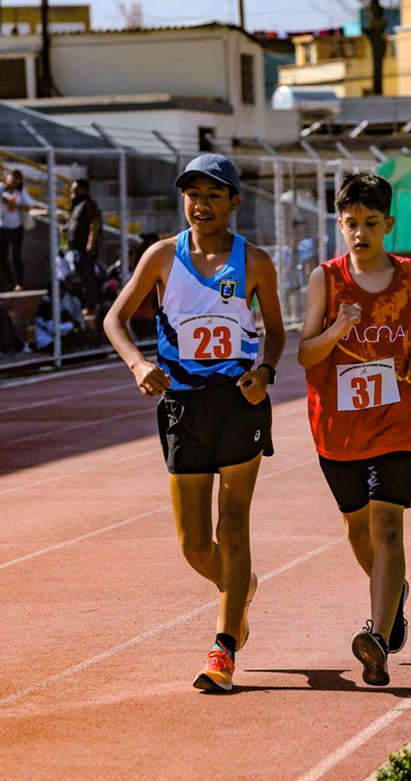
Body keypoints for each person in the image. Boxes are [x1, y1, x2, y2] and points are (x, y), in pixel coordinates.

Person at [103, 153, 285, 693]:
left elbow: (275, 330)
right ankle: (240, 585)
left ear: (234, 201)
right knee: (194, 545)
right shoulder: (162, 257)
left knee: (233, 526)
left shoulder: (254, 263)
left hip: (237, 403)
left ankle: (223, 648)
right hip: (181, 407)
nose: (201, 204)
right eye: (192, 194)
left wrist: (265, 371)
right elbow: (115, 317)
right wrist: (138, 364)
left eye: (213, 194)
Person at [298, 172, 411, 687]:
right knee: (357, 530)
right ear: (340, 225)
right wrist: (337, 328)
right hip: (339, 426)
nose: (361, 233)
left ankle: (376, 637)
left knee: (386, 527)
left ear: (389, 224)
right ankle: (394, 596)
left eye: (371, 223)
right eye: (351, 224)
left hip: (399, 417)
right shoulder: (325, 280)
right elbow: (304, 354)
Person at [0, 169, 32, 290]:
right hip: (1, 227)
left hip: (15, 227)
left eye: (15, 180)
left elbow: (28, 206)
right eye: (11, 179)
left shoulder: (21, 192)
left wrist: (14, 205)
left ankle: (19, 283)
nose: (12, 182)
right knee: (1, 257)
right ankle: (10, 281)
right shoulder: (0, 188)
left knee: (15, 256)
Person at [65, 178, 102, 310]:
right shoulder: (76, 204)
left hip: (84, 249)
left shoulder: (88, 204)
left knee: (88, 277)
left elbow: (95, 222)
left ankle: (91, 305)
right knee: (80, 277)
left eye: (76, 188)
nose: (73, 190)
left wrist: (90, 242)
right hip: (75, 248)